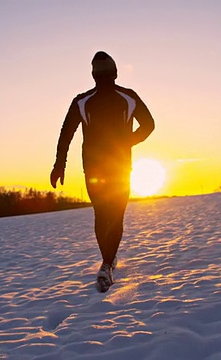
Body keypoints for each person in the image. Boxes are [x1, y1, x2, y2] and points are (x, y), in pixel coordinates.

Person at [50, 51, 155, 292]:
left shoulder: (82, 100)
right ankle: (107, 263)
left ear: (93, 75)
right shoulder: (127, 97)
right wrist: (128, 141)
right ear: (115, 73)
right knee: (114, 216)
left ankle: (107, 262)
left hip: (96, 168)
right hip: (118, 166)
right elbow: (149, 125)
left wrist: (59, 165)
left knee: (103, 214)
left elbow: (66, 135)